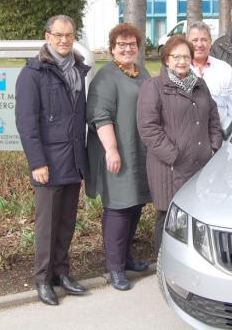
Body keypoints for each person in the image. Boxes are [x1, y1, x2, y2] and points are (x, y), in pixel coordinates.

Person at [15, 15, 91, 306]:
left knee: (66, 223)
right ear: (47, 36)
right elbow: (26, 123)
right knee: (47, 226)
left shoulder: (78, 71)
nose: (63, 40)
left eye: (69, 35)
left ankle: (62, 273)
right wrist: (37, 162)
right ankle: (43, 279)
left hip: (72, 159)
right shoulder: (32, 74)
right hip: (48, 162)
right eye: (58, 35)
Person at [137, 36, 223, 254]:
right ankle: (164, 266)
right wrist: (174, 155)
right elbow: (148, 127)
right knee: (168, 216)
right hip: (170, 167)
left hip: (201, 165)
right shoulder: (154, 87)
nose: (182, 61)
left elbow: (213, 117)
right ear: (167, 60)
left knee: (198, 215)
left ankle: (193, 263)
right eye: (176, 57)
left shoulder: (200, 85)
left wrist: (214, 146)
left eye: (186, 56)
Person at [86, 23, 152, 292]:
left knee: (135, 205)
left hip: (139, 151)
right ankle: (114, 267)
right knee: (118, 209)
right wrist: (111, 150)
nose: (127, 49)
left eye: (132, 45)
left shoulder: (141, 72)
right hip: (118, 152)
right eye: (122, 45)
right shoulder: (106, 77)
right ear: (112, 49)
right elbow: (100, 116)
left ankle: (125, 258)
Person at [187, 21, 232, 129]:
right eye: (195, 40)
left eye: (204, 40)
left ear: (210, 42)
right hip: (186, 139)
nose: (199, 44)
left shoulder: (224, 69)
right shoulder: (179, 70)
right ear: (188, 43)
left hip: (219, 138)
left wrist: (231, 138)